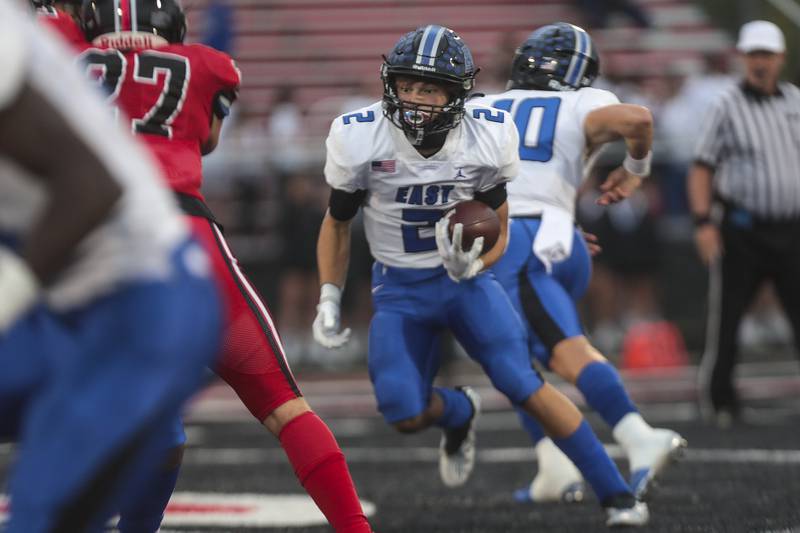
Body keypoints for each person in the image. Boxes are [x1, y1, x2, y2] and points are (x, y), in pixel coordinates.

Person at [314, 24, 648, 527]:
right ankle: (458, 413)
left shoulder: (486, 133)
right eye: (408, 84)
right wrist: (329, 297)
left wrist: (475, 263)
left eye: (430, 88)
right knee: (402, 412)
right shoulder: (360, 135)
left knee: (523, 384)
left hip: (465, 283)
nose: (416, 98)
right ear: (391, 83)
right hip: (400, 290)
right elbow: (337, 222)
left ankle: (618, 494)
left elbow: (503, 229)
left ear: (456, 93)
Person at [73, 2, 374, 531]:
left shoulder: (62, 57)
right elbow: (206, 140)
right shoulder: (205, 65)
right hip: (186, 241)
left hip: (98, 245)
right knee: (285, 406)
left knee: (96, 418)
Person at [0, 2, 222, 531]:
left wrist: (9, 292)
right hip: (60, 288)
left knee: (43, 516)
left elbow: (89, 186)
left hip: (138, 296)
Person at [472, 22, 686, 504]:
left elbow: (638, 118)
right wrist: (635, 171)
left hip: (515, 241)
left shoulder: (481, 105)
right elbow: (638, 123)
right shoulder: (582, 101)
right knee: (515, 360)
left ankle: (638, 436)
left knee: (559, 352)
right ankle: (552, 463)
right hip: (558, 236)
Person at [686, 20, 800, 427]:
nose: (760, 63)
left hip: (790, 228)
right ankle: (721, 401)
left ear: (780, 58)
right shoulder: (726, 105)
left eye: (766, 54)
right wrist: (703, 221)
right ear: (742, 58)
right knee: (729, 317)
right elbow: (702, 167)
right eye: (753, 54)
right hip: (743, 227)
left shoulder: (795, 102)